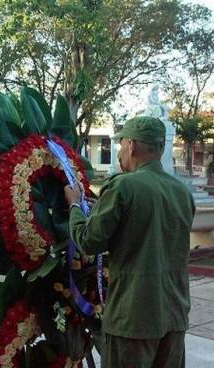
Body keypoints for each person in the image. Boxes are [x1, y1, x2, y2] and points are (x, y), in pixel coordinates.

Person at [64, 116, 195, 368]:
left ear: (132, 145)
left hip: (133, 319)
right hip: (174, 316)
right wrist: (101, 210)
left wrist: (74, 207)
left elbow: (89, 242)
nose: (120, 151)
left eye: (121, 144)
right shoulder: (181, 192)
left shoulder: (123, 186)